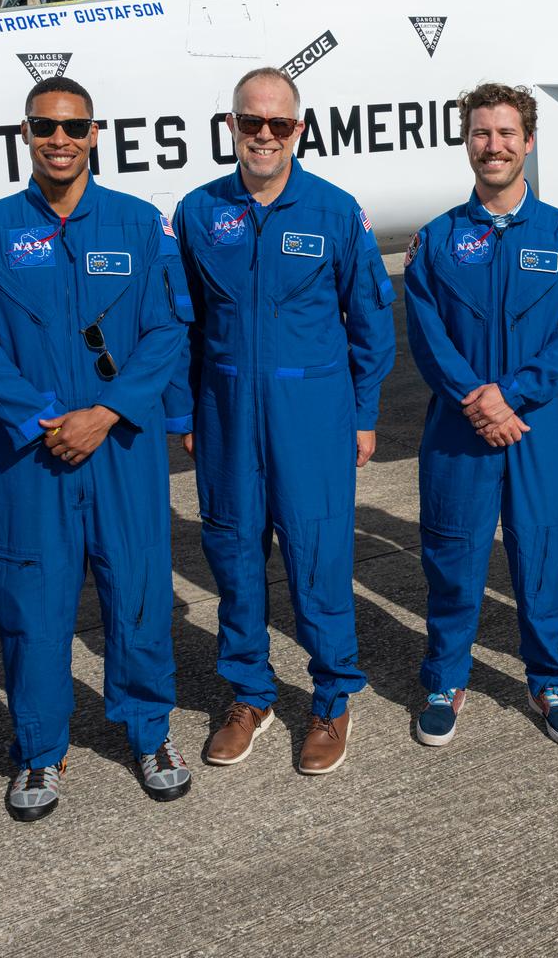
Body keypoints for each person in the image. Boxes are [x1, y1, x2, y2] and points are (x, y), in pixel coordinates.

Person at [0, 74, 193, 818]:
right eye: (45, 126)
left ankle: (149, 732)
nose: (60, 139)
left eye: (74, 127)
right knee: (32, 603)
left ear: (94, 135)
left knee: (139, 592)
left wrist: (106, 412)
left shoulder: (140, 224)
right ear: (25, 134)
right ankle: (38, 750)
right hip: (29, 456)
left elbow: (166, 330)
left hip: (121, 449)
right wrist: (47, 419)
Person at [167, 67, 396, 776]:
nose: (263, 135)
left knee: (318, 561)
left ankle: (331, 698)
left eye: (278, 123)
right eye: (250, 121)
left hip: (313, 417)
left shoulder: (335, 211)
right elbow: (179, 323)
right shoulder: (199, 212)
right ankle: (250, 695)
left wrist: (363, 412)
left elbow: (371, 321)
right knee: (235, 559)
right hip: (227, 414)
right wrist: (186, 410)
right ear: (230, 127)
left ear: (299, 129)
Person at [403, 83, 558, 748]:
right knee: (452, 555)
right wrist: (476, 399)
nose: (493, 146)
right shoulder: (436, 240)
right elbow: (427, 334)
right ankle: (445, 678)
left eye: (506, 133)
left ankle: (549, 679)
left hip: (534, 424)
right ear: (467, 142)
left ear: (529, 141)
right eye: (481, 133)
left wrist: (512, 396)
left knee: (543, 556)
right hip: (458, 425)